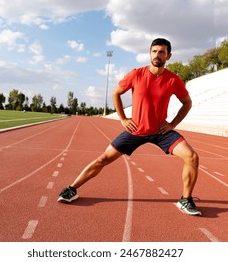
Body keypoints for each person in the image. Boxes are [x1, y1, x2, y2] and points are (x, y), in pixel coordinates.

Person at [58, 38, 201, 216]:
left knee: (192, 157)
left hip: (161, 132)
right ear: (150, 53)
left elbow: (187, 103)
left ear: (168, 56)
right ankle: (72, 189)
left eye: (162, 52)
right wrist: (123, 119)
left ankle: (186, 200)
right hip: (136, 130)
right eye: (154, 51)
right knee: (103, 159)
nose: (157, 55)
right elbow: (116, 93)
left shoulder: (173, 80)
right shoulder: (136, 74)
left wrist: (172, 124)